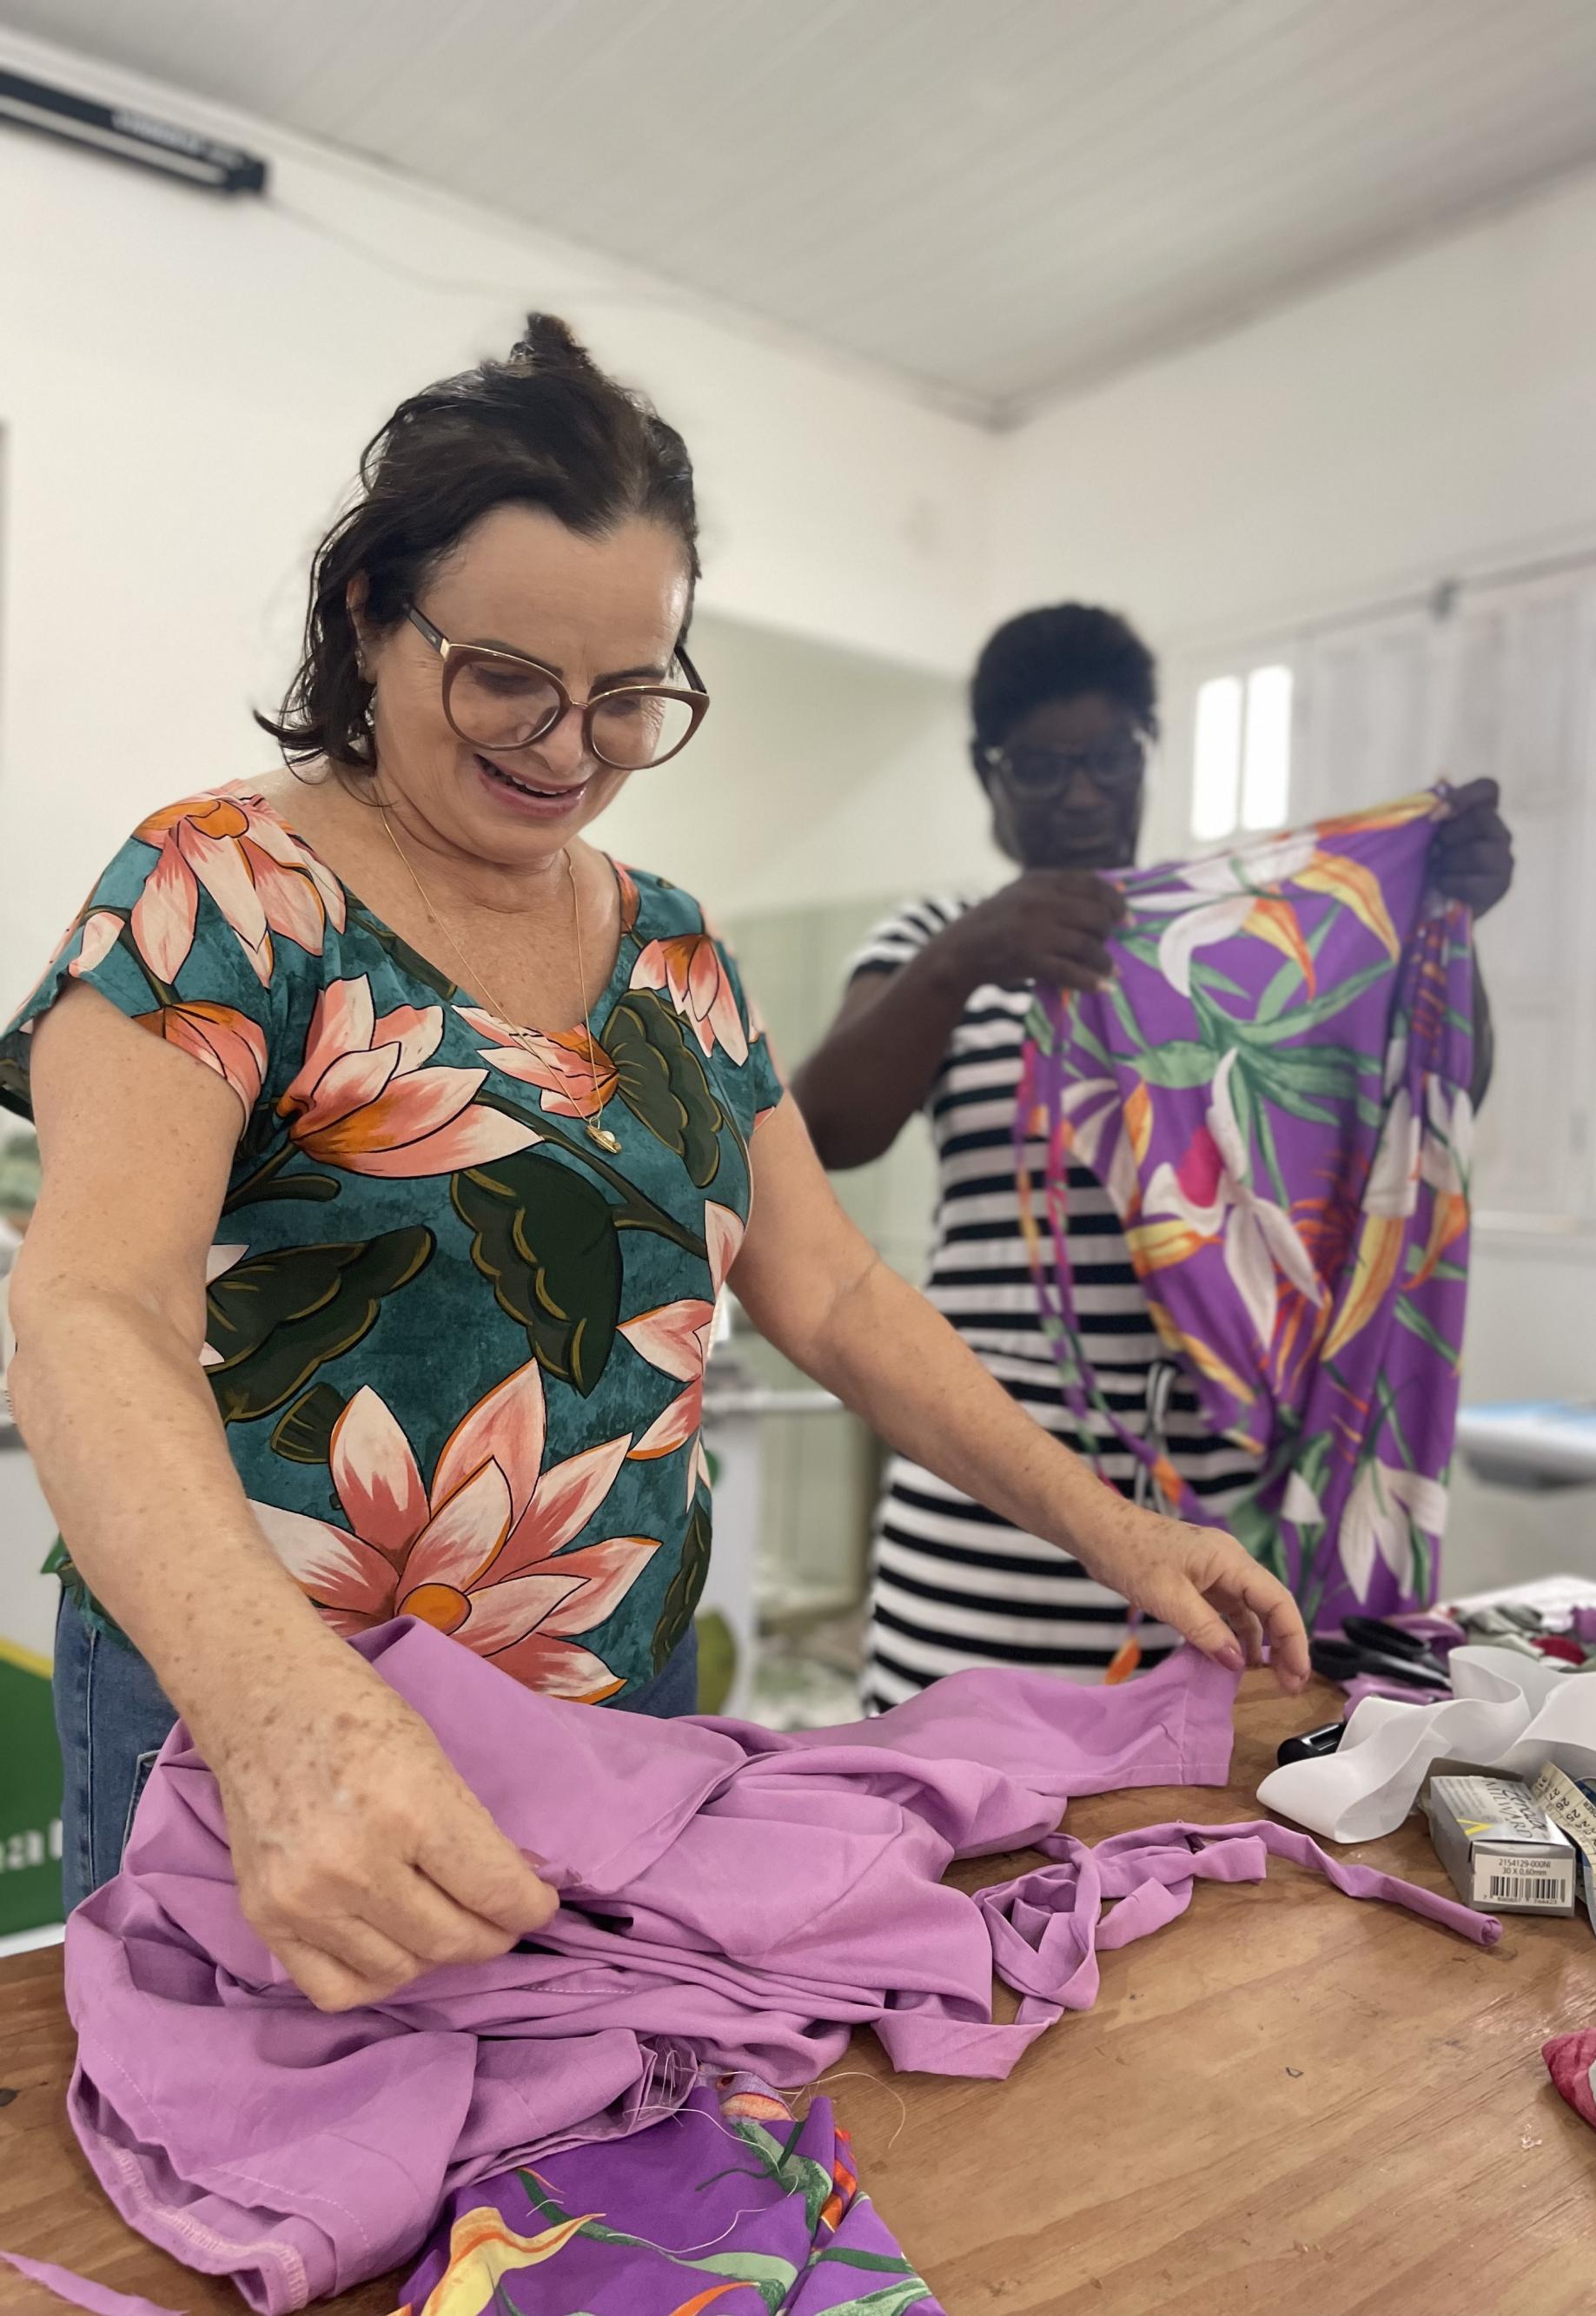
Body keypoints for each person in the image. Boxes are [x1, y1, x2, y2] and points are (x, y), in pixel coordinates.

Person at [1, 325, 1309, 2014]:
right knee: (239, 2166)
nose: (570, 744)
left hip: (613, 1711)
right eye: (506, 679)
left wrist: (1112, 1530)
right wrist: (274, 1712)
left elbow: (829, 1289)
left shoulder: (672, 951)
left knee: (579, 2179)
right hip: (261, 1711)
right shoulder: (217, 891)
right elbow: (90, 1304)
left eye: (631, 694)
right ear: (370, 622)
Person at [792, 605, 1513, 1712]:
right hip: (976, 1537)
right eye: (1038, 765)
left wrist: (1435, 918)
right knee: (939, 1843)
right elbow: (824, 1132)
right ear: (988, 777)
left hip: (1207, 1536)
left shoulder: (1233, 944)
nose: (1078, 793)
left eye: (1105, 758)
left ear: (1144, 754)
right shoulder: (938, 932)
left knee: (1184, 1853)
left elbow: (1423, 1098)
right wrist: (963, 958)